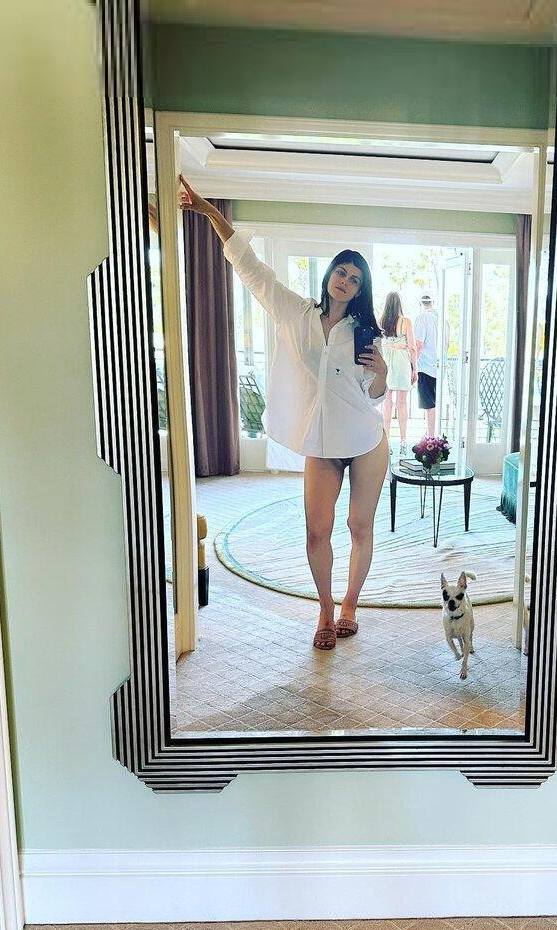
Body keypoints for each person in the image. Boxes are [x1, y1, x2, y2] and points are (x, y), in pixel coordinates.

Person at [178, 174, 389, 652]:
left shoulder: (364, 332)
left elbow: (373, 395)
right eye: (342, 272)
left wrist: (383, 374)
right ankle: (324, 609)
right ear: (330, 274)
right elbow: (252, 269)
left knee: (359, 527)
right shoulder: (296, 313)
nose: (345, 281)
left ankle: (350, 606)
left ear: (360, 290)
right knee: (316, 532)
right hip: (322, 442)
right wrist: (210, 213)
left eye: (355, 279)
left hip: (365, 440)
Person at [379, 291, 417, 455]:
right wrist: (415, 368)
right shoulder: (406, 321)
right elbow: (412, 347)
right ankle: (403, 441)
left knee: (386, 403)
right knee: (402, 403)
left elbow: (377, 343)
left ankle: (386, 441)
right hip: (402, 362)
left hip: (386, 361)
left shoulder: (380, 321)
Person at [413, 293, 441, 437]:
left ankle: (431, 439)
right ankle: (430, 434)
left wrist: (412, 365)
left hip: (425, 366)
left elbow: (418, 344)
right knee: (434, 403)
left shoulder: (422, 317)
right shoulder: (442, 319)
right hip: (439, 367)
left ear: (421, 303)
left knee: (429, 405)